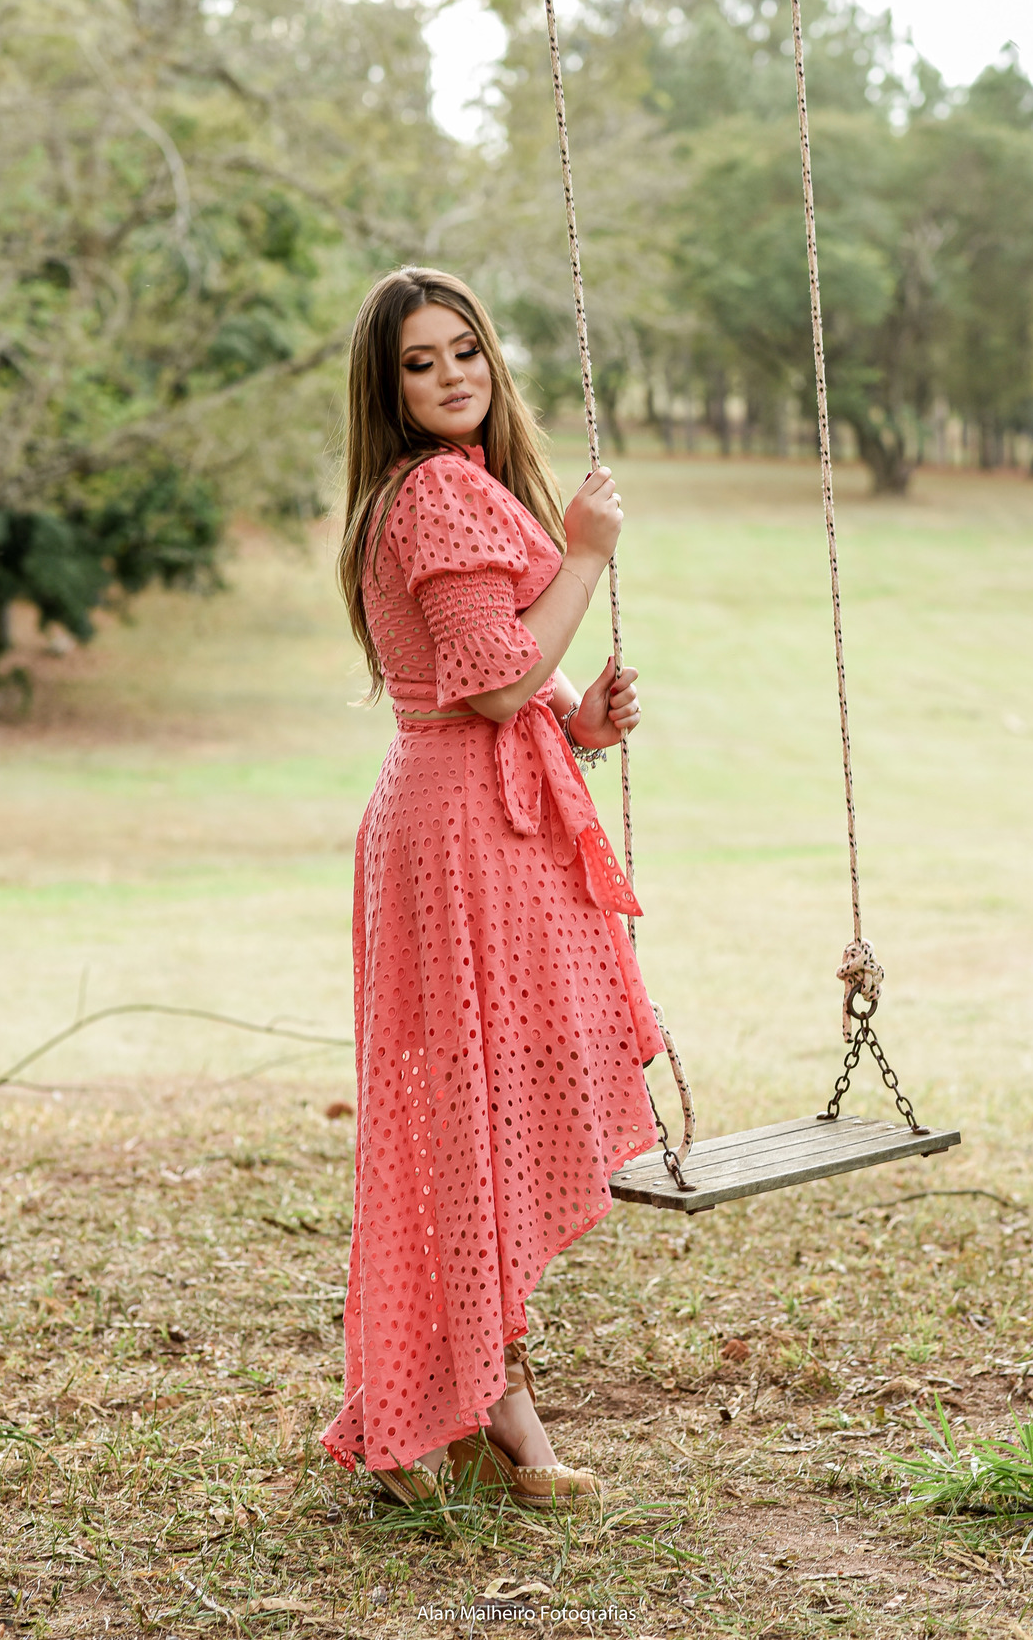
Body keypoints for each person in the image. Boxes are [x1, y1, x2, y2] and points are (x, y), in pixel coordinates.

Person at [321, 265, 662, 1509]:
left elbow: (514, 688)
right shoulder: (432, 496)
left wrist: (582, 728)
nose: (452, 375)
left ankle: (476, 1397)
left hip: (472, 820)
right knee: (469, 1113)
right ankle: (468, 1405)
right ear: (390, 388)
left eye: (464, 350)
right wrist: (587, 556)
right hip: (459, 836)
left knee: (490, 1105)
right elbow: (495, 682)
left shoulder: (462, 487)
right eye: (420, 363)